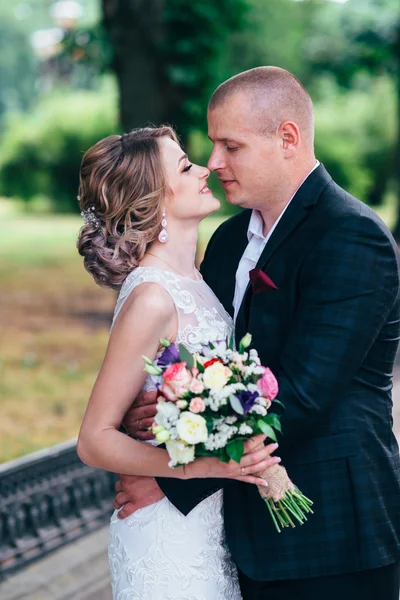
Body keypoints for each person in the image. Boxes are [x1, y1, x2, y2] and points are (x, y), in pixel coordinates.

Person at [118, 67, 400, 599]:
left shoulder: (351, 236)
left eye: (232, 146)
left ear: (287, 139)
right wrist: (162, 409)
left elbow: (302, 395)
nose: (215, 162)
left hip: (331, 534)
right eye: (212, 145)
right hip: (241, 531)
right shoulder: (226, 241)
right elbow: (207, 365)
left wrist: (170, 473)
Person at [76, 125, 281, 599]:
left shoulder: (199, 281)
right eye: (186, 166)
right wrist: (200, 468)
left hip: (213, 529)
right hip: (166, 540)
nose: (206, 168)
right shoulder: (152, 296)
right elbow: (94, 440)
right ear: (152, 200)